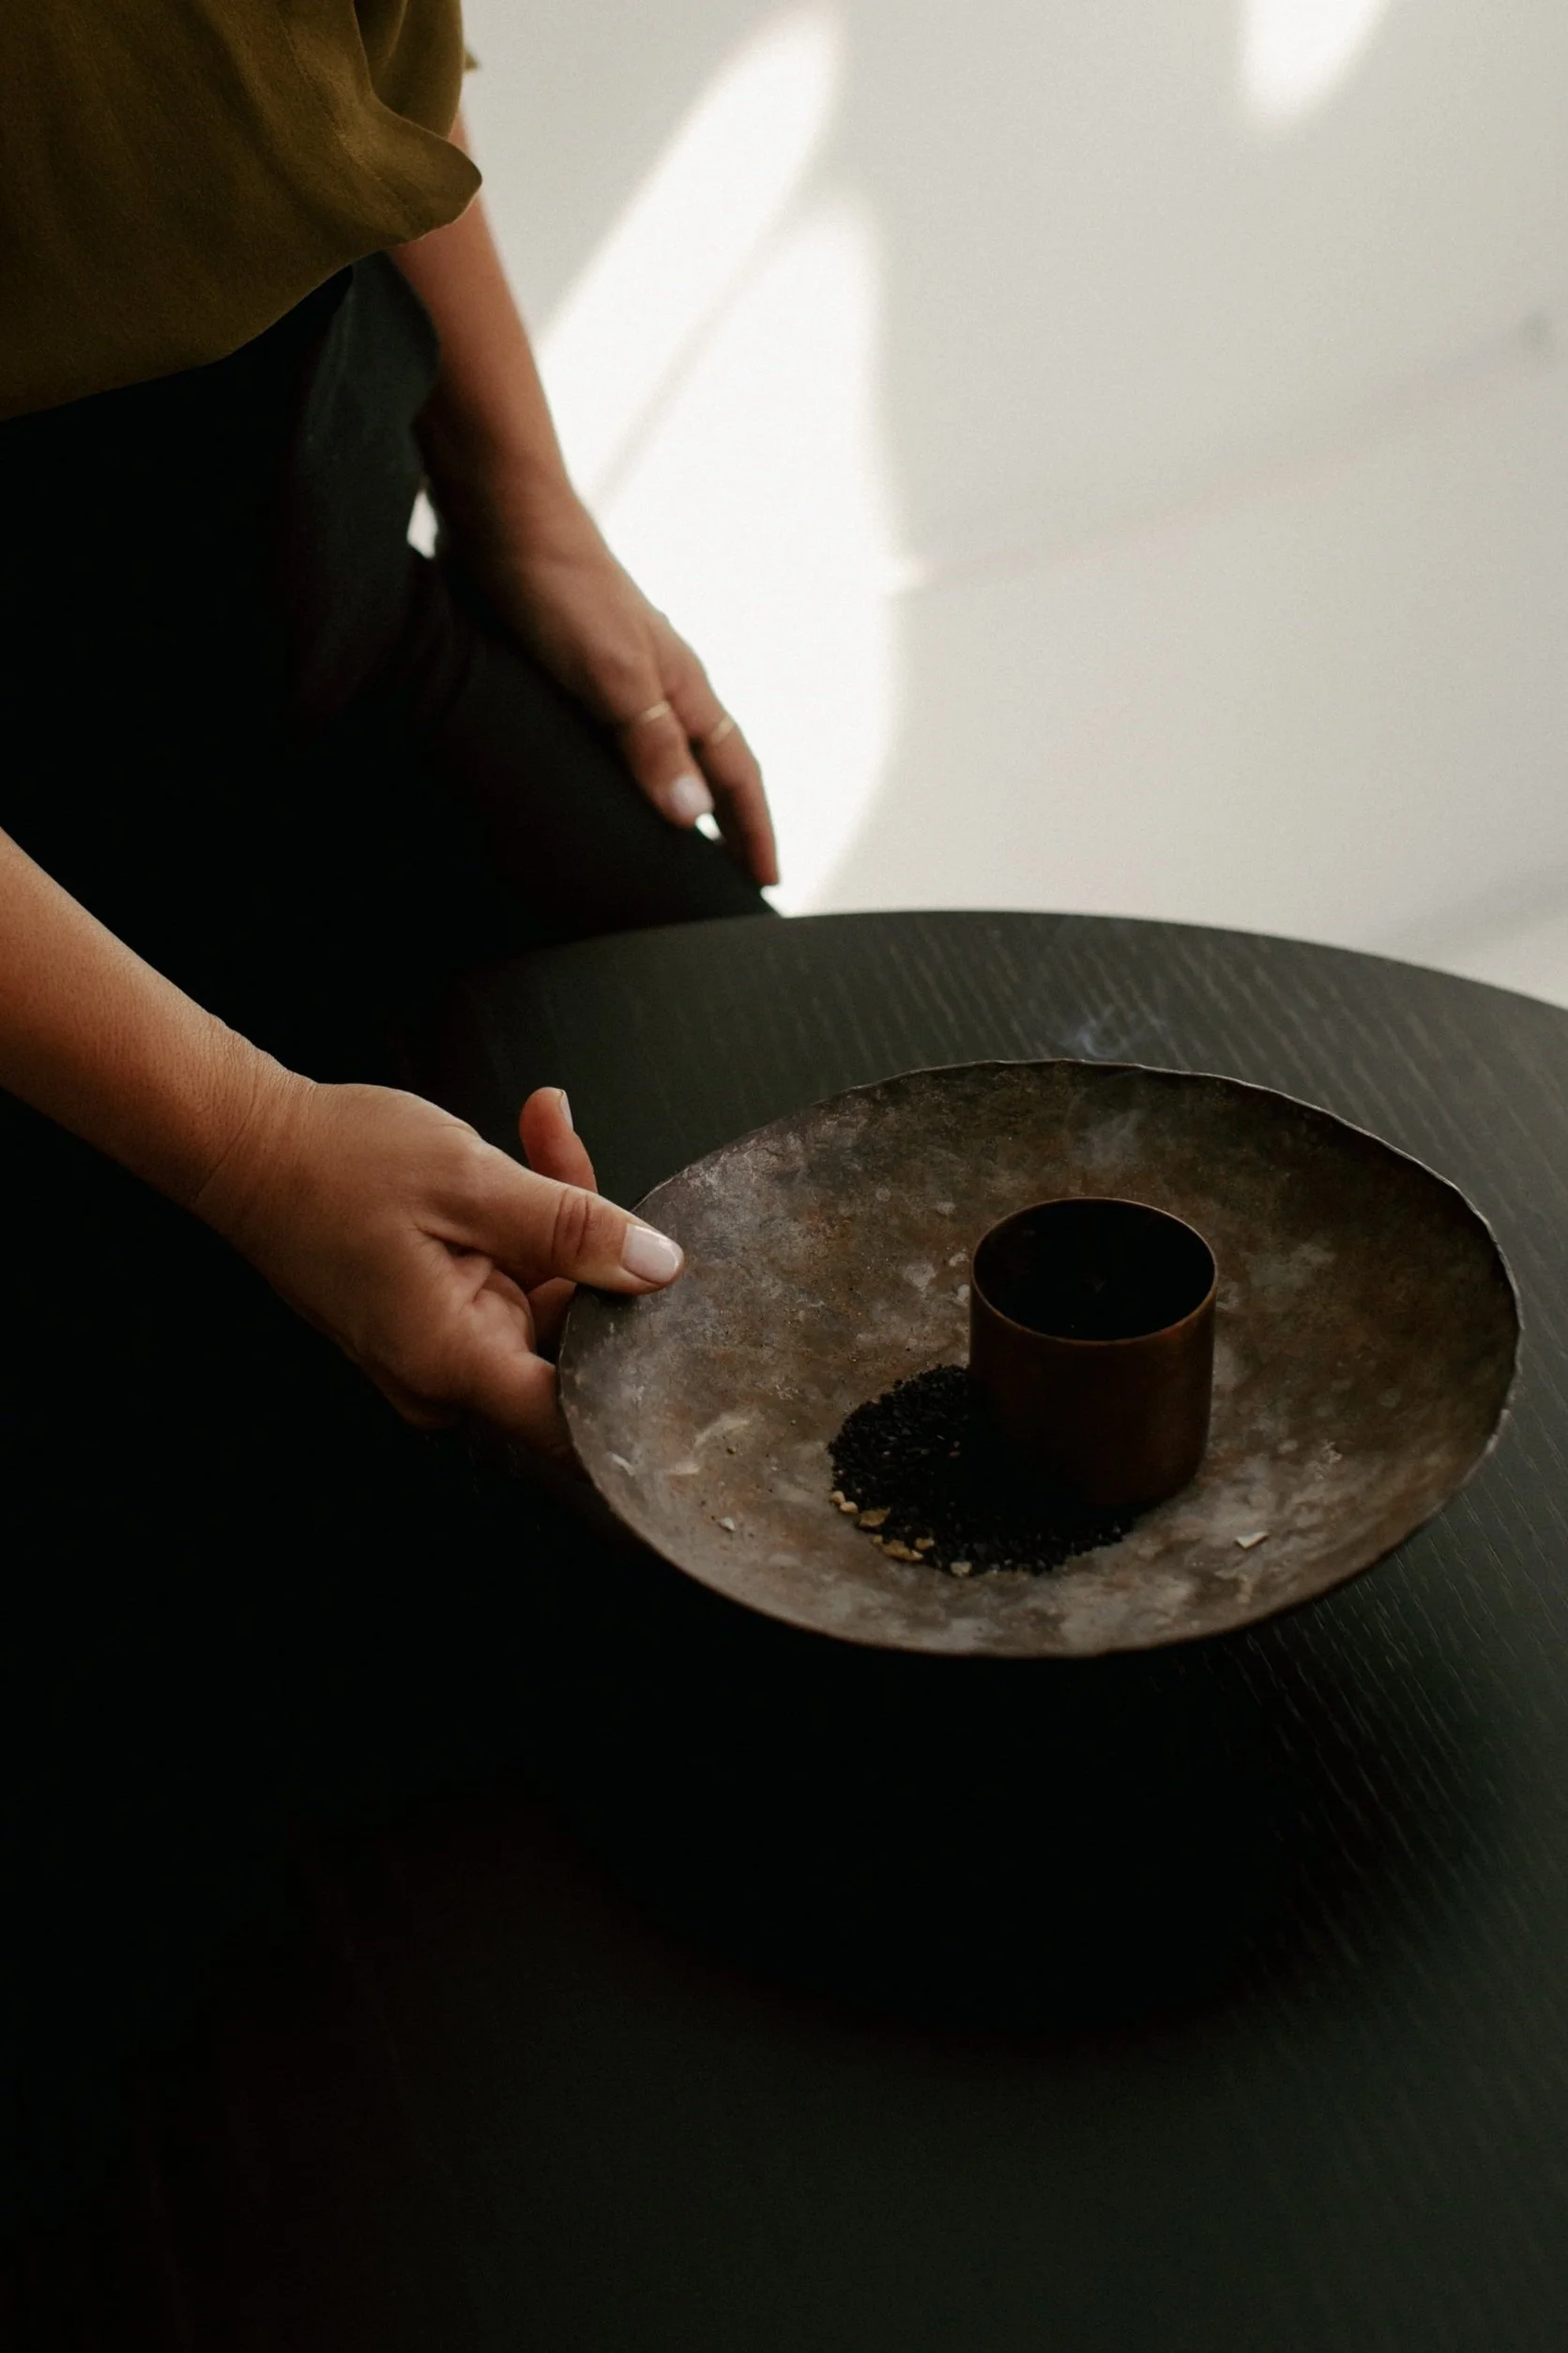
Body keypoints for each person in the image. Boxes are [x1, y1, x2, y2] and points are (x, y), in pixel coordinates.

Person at [0, 0, 780, 1473]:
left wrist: (522, 500)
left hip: (346, 636)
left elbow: (354, 65)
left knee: (798, 1178)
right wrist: (249, 1150)